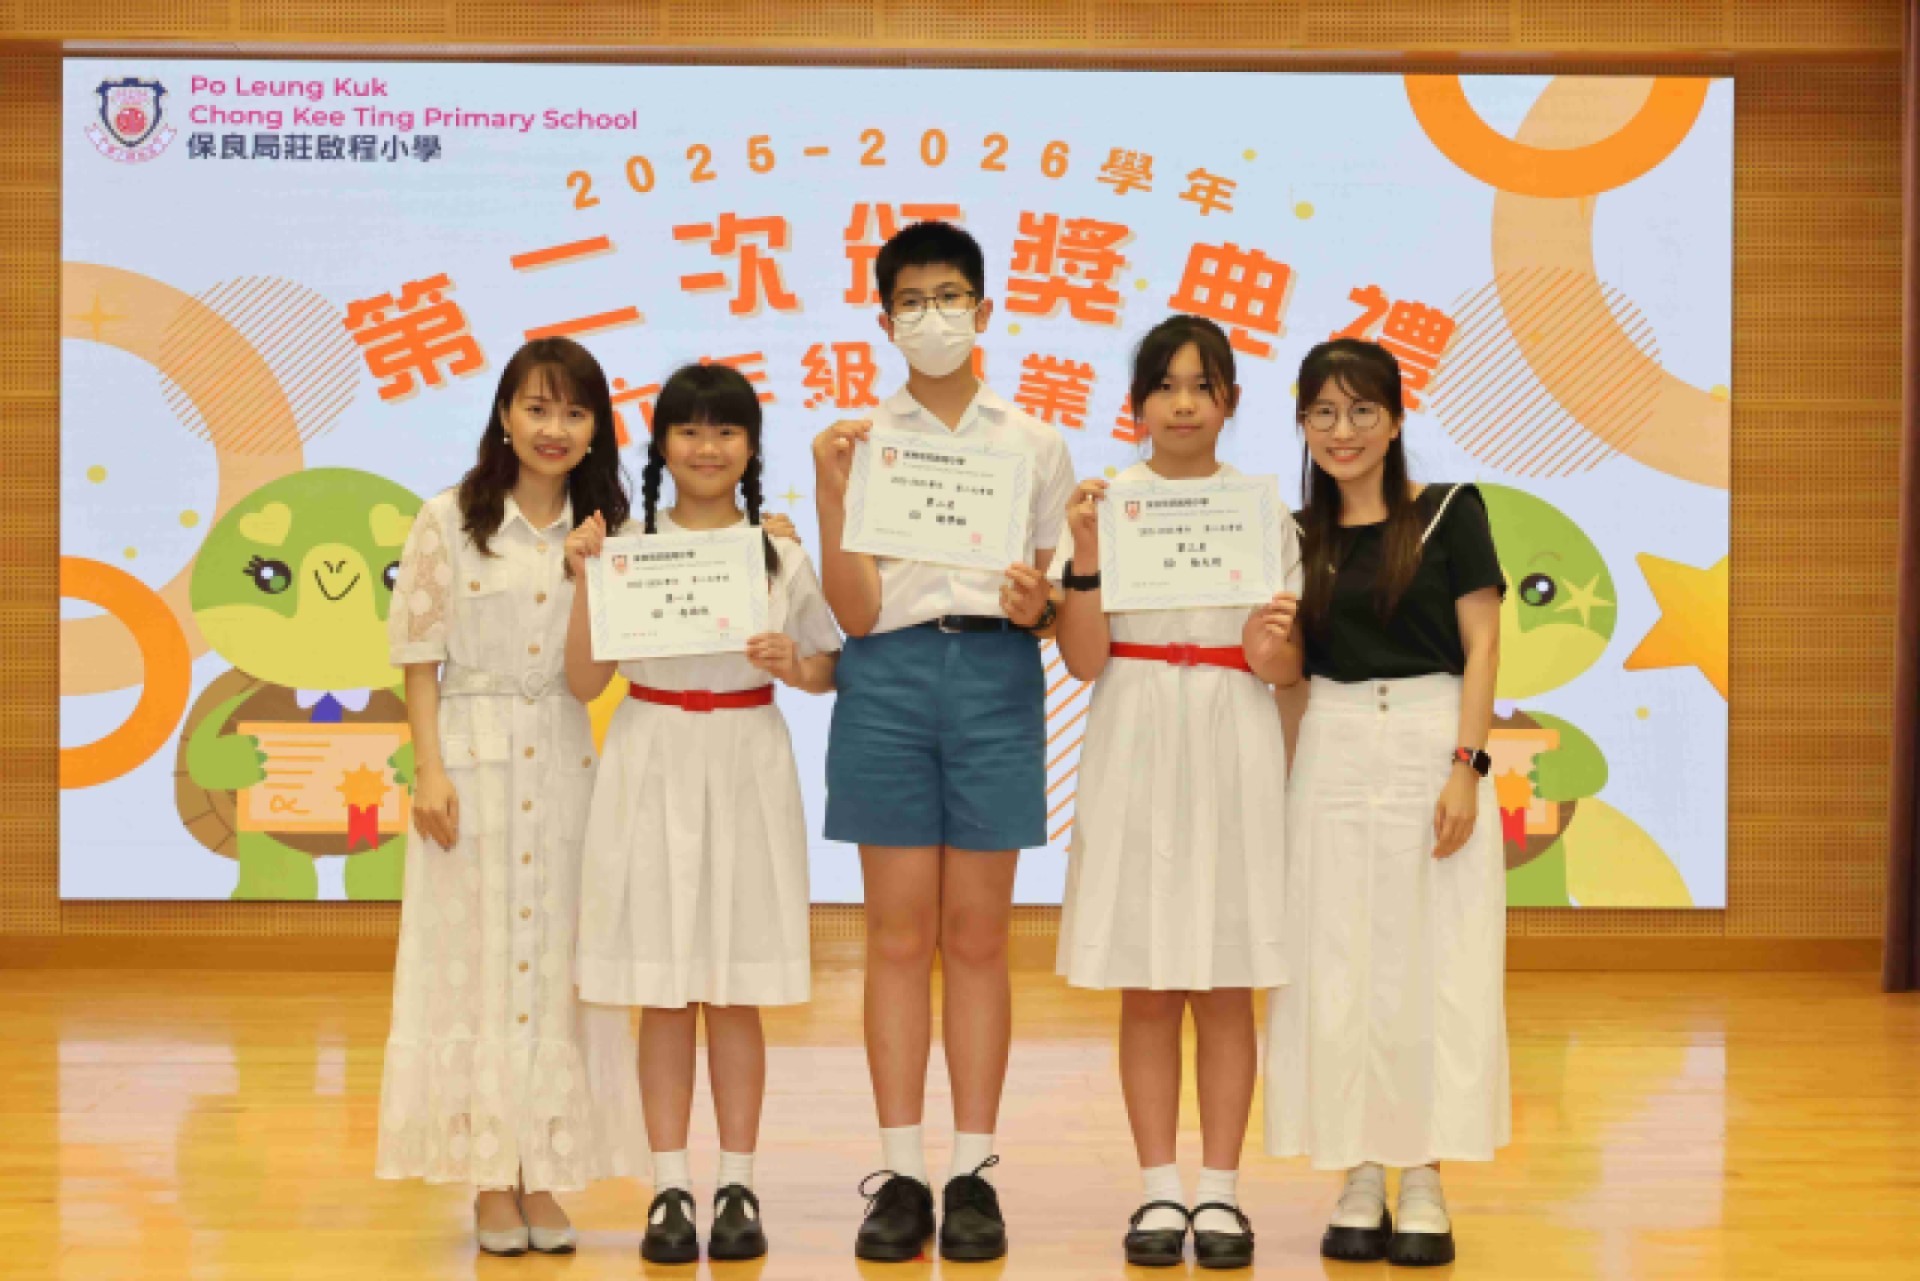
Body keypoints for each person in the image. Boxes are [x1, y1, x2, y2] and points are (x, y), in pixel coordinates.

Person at [810, 220, 1076, 1263]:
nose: (934, 316)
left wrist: (1037, 604)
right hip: (886, 679)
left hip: (996, 680)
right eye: (913, 302)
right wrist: (831, 492)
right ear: (885, 321)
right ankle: (901, 1175)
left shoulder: (1035, 443)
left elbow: (1054, 602)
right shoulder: (858, 441)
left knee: (977, 936)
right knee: (895, 935)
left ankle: (972, 1171)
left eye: (950, 296)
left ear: (984, 309)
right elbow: (853, 612)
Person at [376, 337, 645, 1256]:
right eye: (536, 407)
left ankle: (544, 1171)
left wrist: (590, 577)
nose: (553, 428)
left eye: (574, 411)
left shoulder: (610, 531)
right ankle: (492, 1179)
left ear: (596, 428)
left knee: (553, 966)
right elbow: (419, 657)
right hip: (472, 760)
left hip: (564, 763)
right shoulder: (450, 518)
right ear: (504, 415)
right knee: (479, 966)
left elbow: (592, 680)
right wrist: (430, 769)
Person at [569, 363, 840, 1265]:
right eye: (688, 429)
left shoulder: (778, 553)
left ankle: (737, 1183)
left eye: (725, 430)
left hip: (745, 758)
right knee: (663, 989)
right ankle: (668, 1188)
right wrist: (585, 576)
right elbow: (584, 680)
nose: (707, 447)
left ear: (751, 446)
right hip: (650, 756)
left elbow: (829, 665)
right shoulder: (625, 547)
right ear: (660, 445)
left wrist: (794, 663)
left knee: (733, 988)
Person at [1051, 315, 1302, 1270]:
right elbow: (1083, 659)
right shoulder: (1104, 505)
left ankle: (1222, 1192)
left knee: (1227, 982)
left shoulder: (1263, 511)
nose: (1185, 403)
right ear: (1138, 403)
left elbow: (1286, 665)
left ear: (1231, 401)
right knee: (1150, 983)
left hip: (1233, 732)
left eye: (1204, 386)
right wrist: (1083, 554)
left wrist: (1274, 646)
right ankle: (1160, 1187)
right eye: (1166, 386)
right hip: (1137, 733)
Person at [1265, 338, 1508, 1268]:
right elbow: (1291, 678)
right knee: (1338, 962)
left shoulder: (1449, 511)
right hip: (1331, 750)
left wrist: (1466, 766)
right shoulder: (1294, 535)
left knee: (1434, 958)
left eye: (1363, 409)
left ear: (1397, 419)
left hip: (1429, 743)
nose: (1344, 430)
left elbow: (1482, 647)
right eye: (1323, 412)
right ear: (1302, 425)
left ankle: (1425, 1176)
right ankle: (1358, 1173)